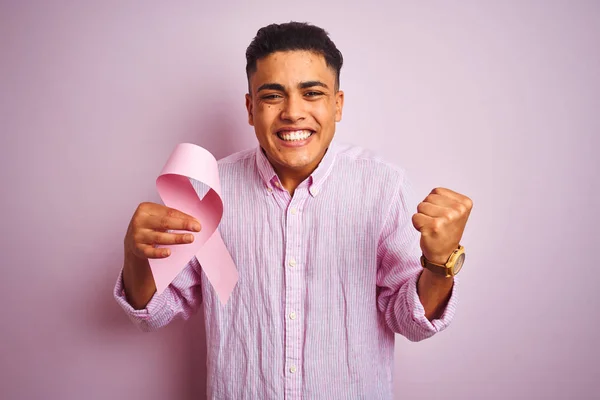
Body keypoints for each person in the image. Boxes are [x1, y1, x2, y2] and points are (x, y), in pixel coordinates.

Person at [114, 21, 473, 399]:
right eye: (272, 96)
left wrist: (439, 263)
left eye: (312, 93)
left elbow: (412, 323)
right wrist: (136, 255)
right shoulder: (207, 190)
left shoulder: (383, 188)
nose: (293, 112)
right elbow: (152, 312)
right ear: (251, 108)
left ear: (337, 105)